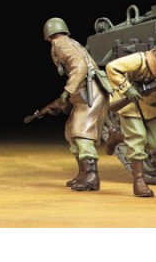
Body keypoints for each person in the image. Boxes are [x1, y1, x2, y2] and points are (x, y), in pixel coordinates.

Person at [105, 29, 156, 198]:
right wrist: (127, 88)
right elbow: (111, 67)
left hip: (151, 104)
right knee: (138, 138)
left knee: (152, 142)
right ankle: (139, 181)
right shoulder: (141, 60)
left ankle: (117, 136)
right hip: (130, 101)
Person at [43, 17, 111, 191]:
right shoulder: (70, 42)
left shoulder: (61, 44)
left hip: (91, 90)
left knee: (81, 131)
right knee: (71, 130)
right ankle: (83, 173)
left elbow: (80, 66)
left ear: (49, 36)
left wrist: (67, 92)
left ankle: (92, 176)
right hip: (86, 91)